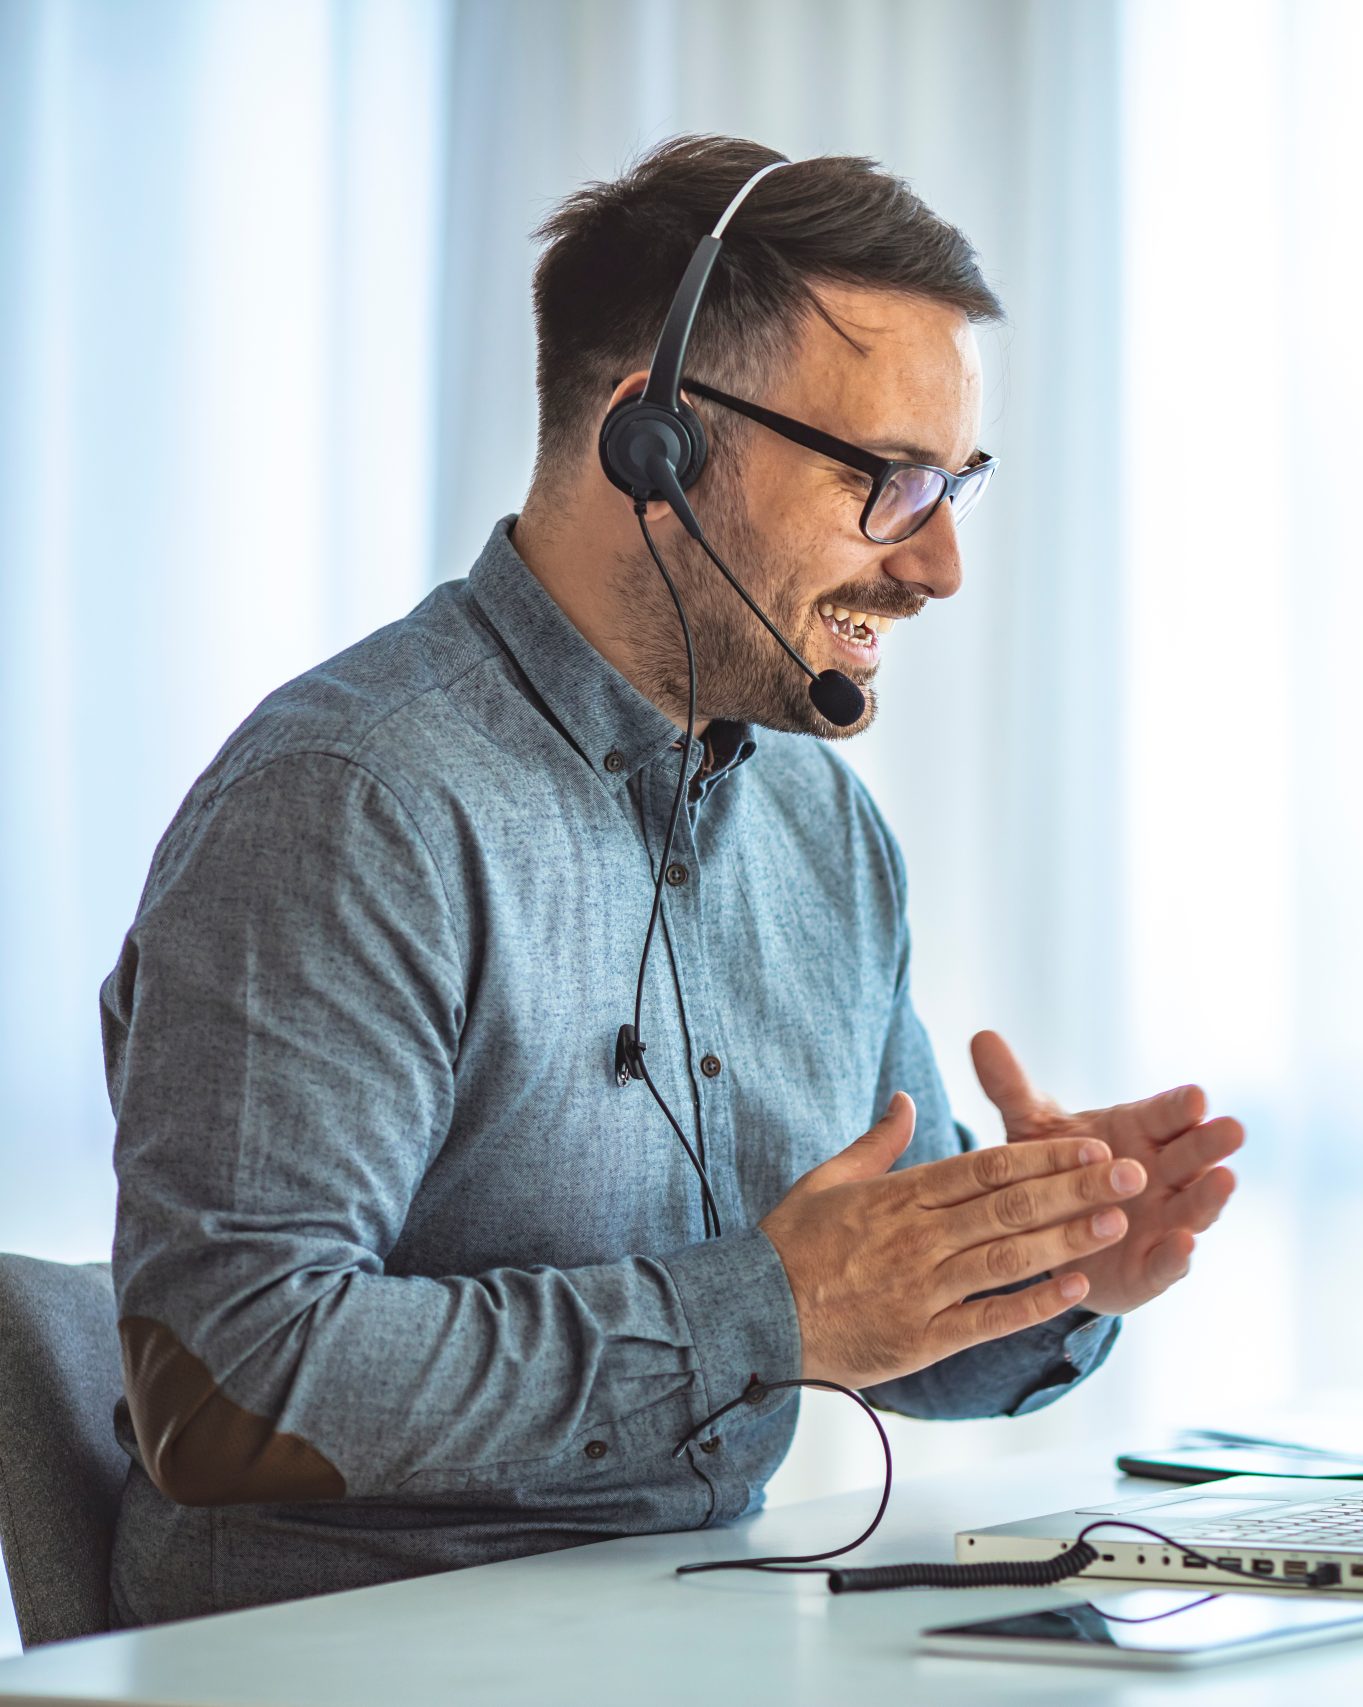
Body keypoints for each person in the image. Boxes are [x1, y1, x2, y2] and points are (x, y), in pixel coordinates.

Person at [98, 135, 1242, 1626]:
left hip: (693, 1629)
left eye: (956, 482)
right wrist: (764, 1311)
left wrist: (1047, 1262)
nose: (944, 563)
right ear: (656, 444)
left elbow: (867, 1313)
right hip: (342, 1659)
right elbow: (230, 1384)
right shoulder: (352, 803)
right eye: (890, 482)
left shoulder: (823, 832)